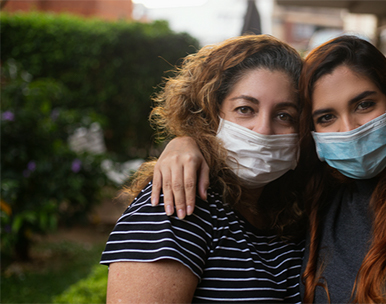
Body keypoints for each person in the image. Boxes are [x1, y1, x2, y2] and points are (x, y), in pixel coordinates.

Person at [154, 35, 386, 303]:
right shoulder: (311, 201)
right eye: (326, 117)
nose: (349, 129)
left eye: (364, 104)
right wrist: (187, 142)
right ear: (310, 133)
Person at [100, 34, 306, 303]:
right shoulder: (178, 199)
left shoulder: (291, 210)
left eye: (284, 115)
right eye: (245, 109)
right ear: (210, 114)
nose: (264, 129)